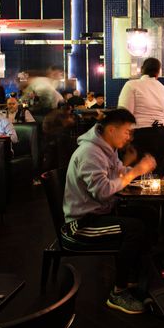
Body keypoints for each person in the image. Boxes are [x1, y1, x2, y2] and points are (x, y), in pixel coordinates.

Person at [62, 109, 157, 314]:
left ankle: (134, 278)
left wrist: (133, 169)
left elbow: (118, 172)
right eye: (127, 132)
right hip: (81, 224)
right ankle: (118, 292)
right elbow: (103, 191)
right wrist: (136, 171)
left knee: (148, 213)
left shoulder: (108, 148)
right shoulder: (90, 153)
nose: (129, 137)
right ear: (112, 130)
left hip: (100, 214)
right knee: (134, 229)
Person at [117, 57, 164, 170]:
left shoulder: (131, 85)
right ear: (158, 72)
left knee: (133, 173)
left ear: (142, 69)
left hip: (139, 136)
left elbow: (124, 115)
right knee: (155, 172)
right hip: (161, 136)